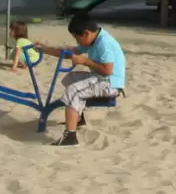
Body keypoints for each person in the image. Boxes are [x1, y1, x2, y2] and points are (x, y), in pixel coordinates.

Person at [38, 14, 125, 147]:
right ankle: (78, 118)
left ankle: (70, 136)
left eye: (76, 38)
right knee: (71, 79)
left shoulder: (103, 43)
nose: (77, 42)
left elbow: (108, 71)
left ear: (86, 33)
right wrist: (45, 49)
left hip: (109, 83)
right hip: (101, 79)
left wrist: (85, 61)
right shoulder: (93, 40)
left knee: (73, 91)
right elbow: (70, 53)